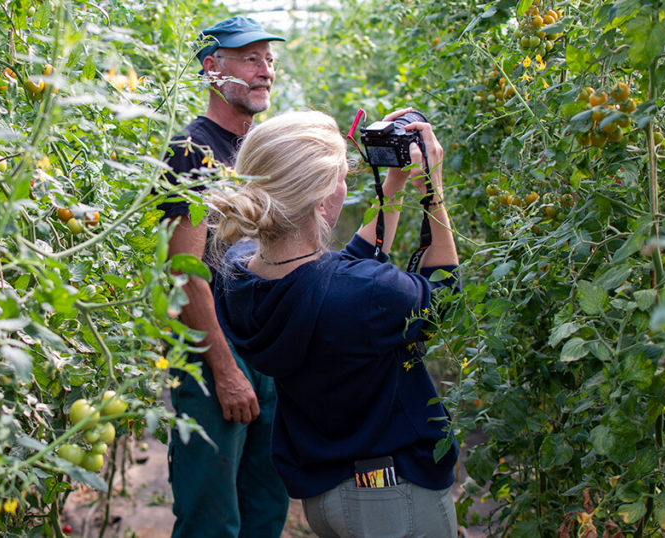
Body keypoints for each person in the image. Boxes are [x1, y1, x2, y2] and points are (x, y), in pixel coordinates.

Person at [207, 109, 460, 538]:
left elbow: (336, 275)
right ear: (325, 198)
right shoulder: (367, 292)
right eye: (343, 177)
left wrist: (395, 184)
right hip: (394, 499)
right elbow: (444, 296)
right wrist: (433, 193)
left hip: (325, 495)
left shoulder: (239, 276)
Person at [159, 15, 290, 538]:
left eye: (269, 60)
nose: (265, 71)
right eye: (250, 59)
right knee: (210, 519)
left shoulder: (266, 151)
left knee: (265, 506)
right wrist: (225, 367)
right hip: (219, 351)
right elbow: (185, 272)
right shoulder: (192, 153)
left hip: (269, 349)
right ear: (213, 70)